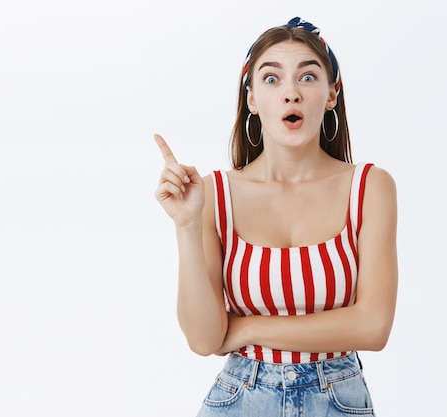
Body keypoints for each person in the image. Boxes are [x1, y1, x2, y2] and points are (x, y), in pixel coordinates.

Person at [153, 17, 397, 416]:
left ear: (331, 94)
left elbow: (373, 326)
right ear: (250, 99)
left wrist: (248, 328)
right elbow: (203, 339)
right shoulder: (215, 194)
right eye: (271, 79)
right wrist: (187, 224)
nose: (290, 94)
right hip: (240, 398)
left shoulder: (370, 187)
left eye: (307, 77)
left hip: (338, 400)